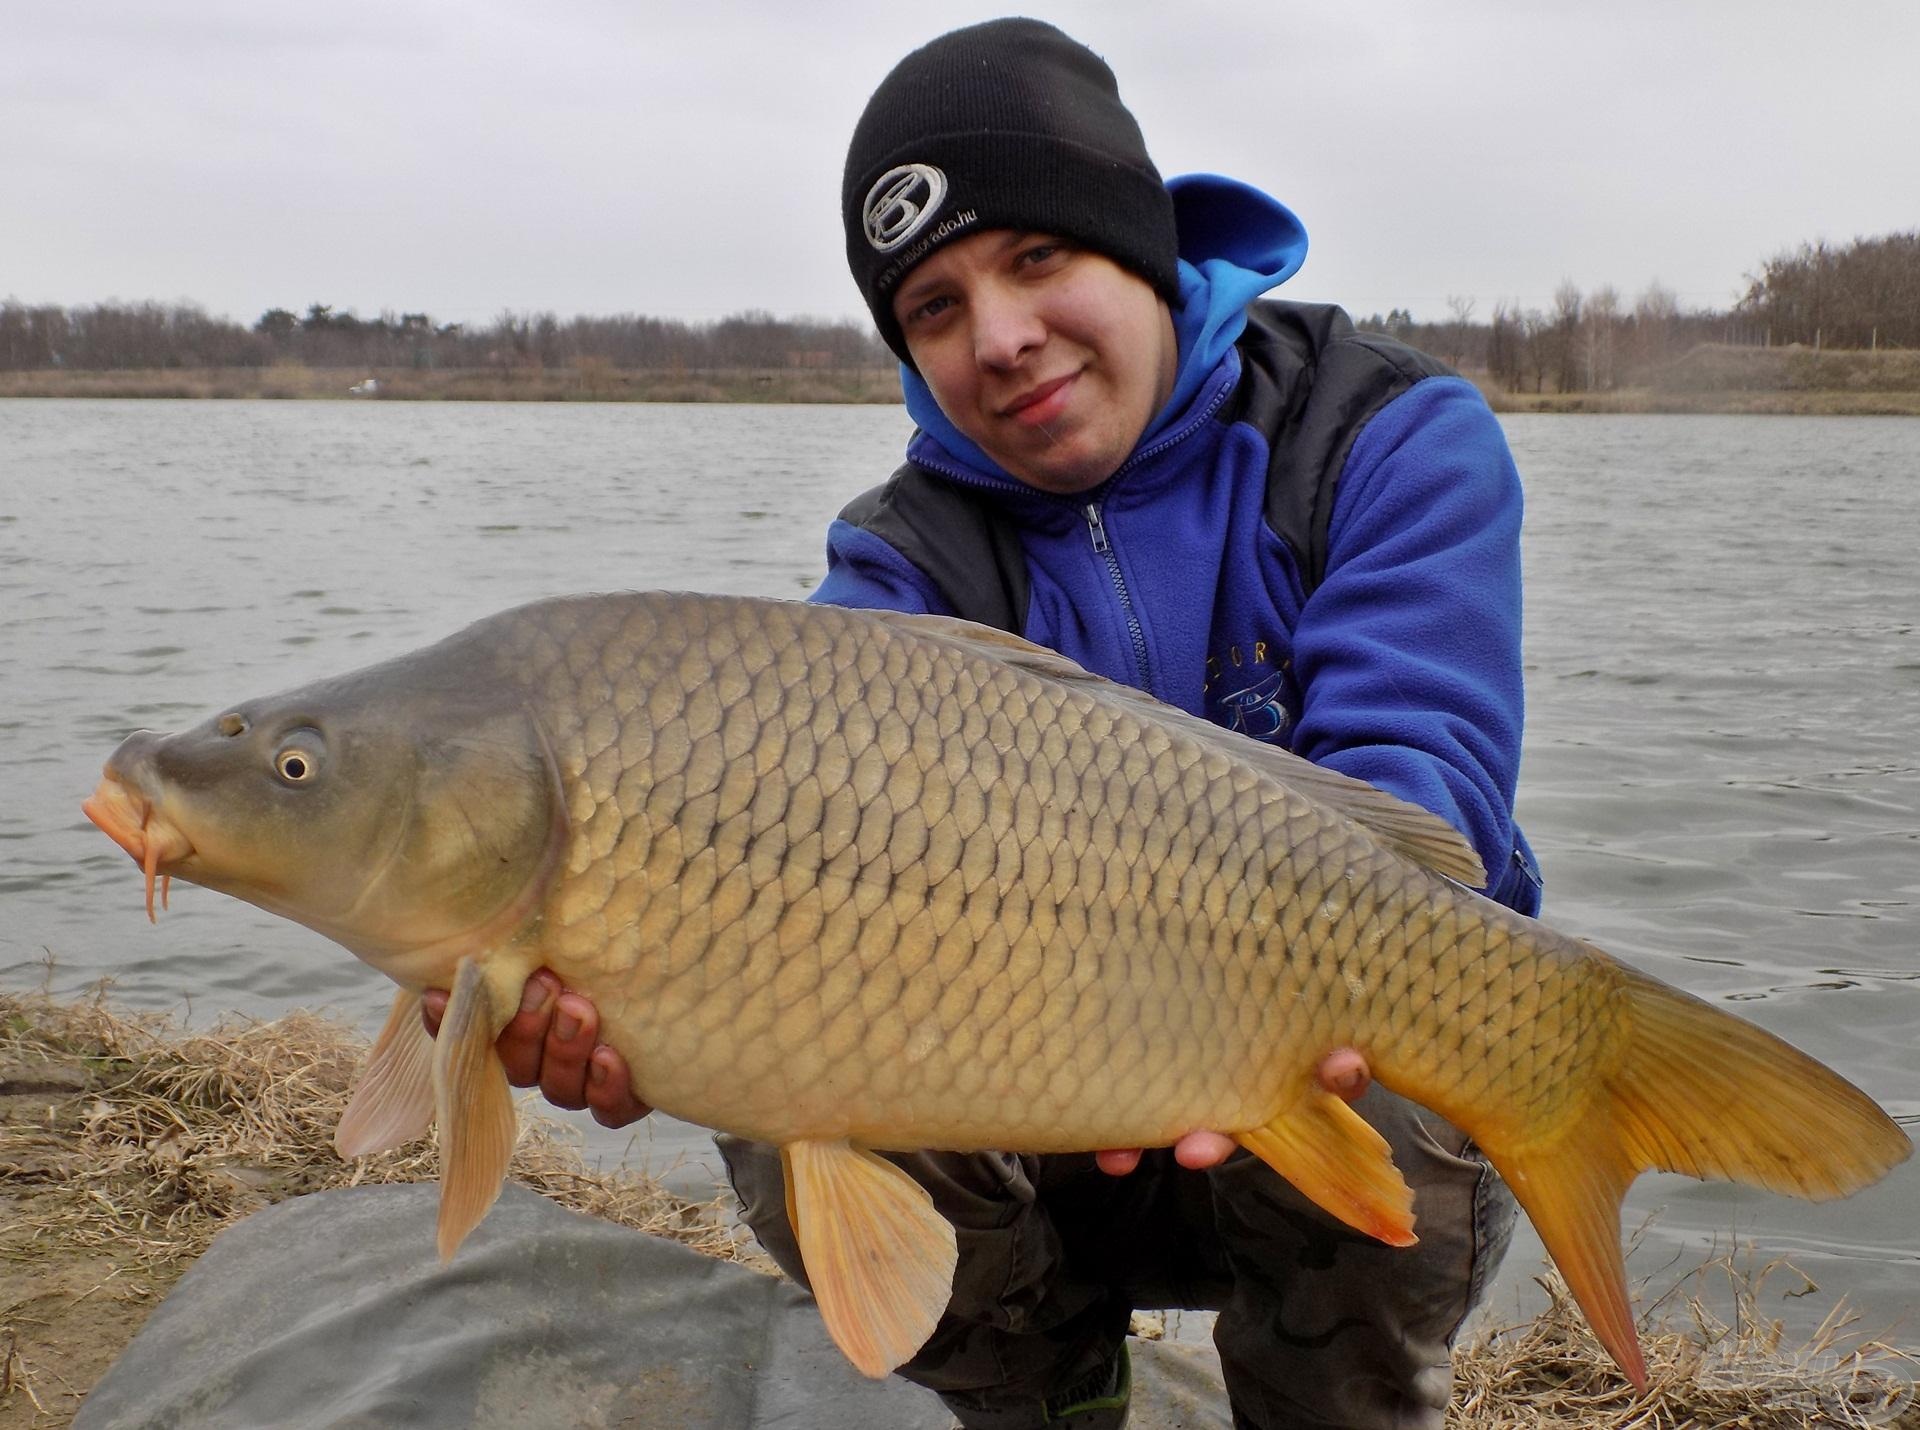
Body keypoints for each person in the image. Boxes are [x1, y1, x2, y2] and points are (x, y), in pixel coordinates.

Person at [427, 17, 1541, 1428]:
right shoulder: (897, 565)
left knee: (1421, 1018)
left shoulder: (1381, 434)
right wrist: (641, 996)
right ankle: (1050, 1406)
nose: (1000, 339)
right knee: (787, 1101)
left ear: (1138, 243)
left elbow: (1420, 803)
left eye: (1035, 259)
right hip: (1038, 1125)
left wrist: (1238, 1020)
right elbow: (790, 896)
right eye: (935, 309)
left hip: (1318, 1102)